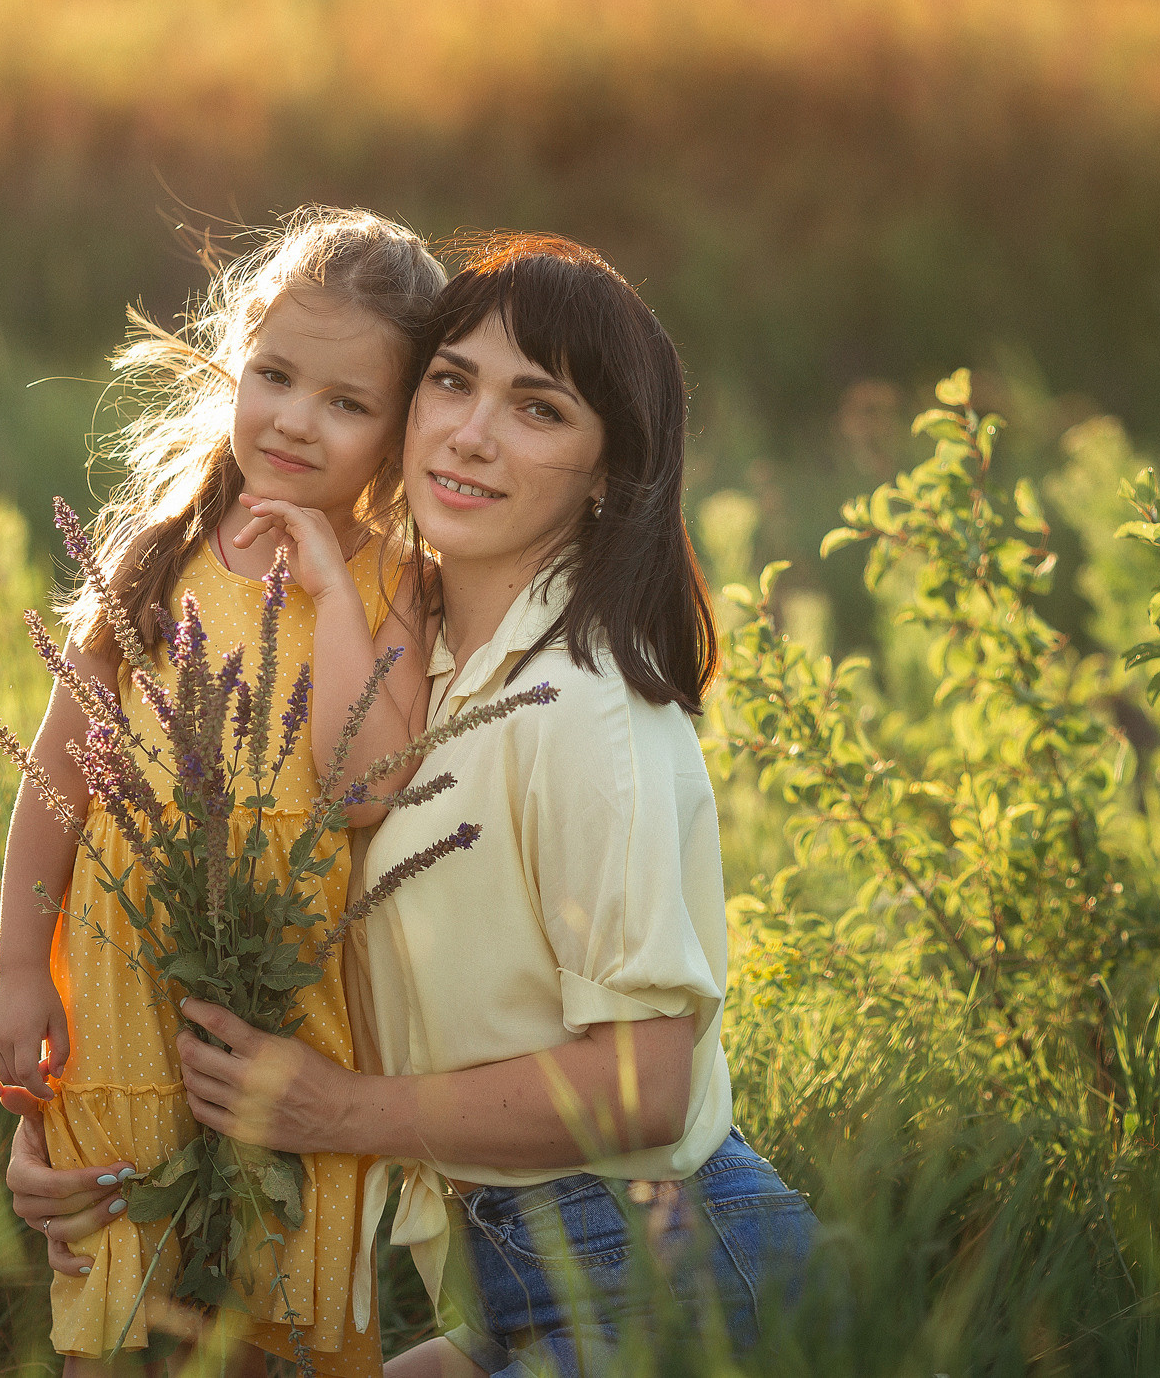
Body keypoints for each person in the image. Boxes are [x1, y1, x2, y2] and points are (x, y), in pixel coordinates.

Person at [164, 233, 818, 1374]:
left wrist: (343, 1114)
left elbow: (646, 1084)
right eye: (452, 382)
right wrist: (88, 1155)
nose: (470, 432)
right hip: (524, 1278)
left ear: (611, 470)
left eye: (539, 408)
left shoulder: (586, 708)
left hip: (670, 1274)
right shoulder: (417, 665)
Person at [0, 207, 444, 1376]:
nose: (295, 419)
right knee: (117, 1299)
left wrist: (332, 589)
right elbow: (57, 781)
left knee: (267, 1315)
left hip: (285, 1007)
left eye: (347, 404)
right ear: (236, 360)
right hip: (126, 987)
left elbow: (360, 785)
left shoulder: (395, 581)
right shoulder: (159, 549)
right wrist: (16, 970)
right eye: (275, 376)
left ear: (400, 433)